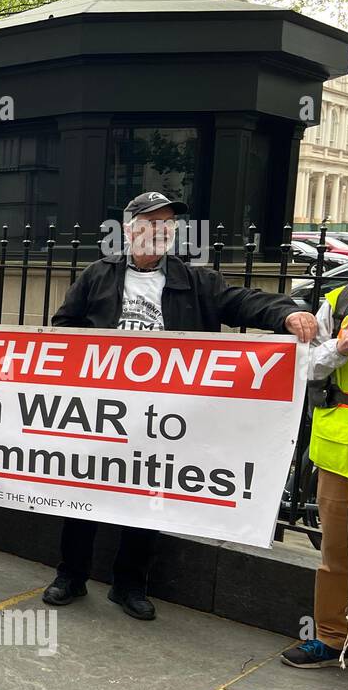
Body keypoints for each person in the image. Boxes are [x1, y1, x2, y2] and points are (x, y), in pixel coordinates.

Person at [45, 190, 317, 620]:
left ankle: (129, 584)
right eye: (152, 222)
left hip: (162, 415)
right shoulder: (98, 275)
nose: (161, 231)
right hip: (105, 411)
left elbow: (241, 301)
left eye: (168, 224)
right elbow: (64, 328)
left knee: (147, 496)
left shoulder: (194, 281)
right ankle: (71, 575)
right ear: (130, 228)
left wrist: (286, 312)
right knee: (84, 491)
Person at [281, 281, 348, 667]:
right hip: (342, 449)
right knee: (338, 551)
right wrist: (339, 349)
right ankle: (334, 635)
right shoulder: (341, 301)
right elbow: (304, 364)